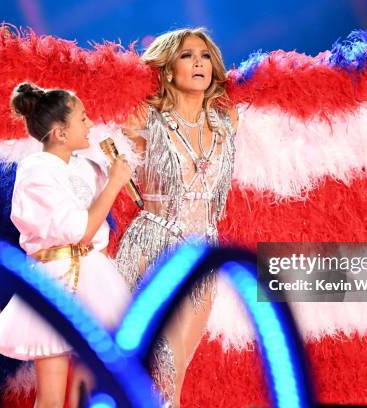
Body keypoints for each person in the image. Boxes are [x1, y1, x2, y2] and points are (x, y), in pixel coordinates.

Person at [0, 82, 132, 408]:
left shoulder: (88, 167)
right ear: (59, 133)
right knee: (50, 394)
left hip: (96, 278)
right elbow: (78, 228)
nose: (90, 123)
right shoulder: (35, 171)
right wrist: (115, 184)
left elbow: (94, 233)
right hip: (56, 279)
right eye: (82, 118)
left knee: (96, 386)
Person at [115, 28, 238, 406]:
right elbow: (103, 151)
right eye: (187, 55)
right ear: (168, 69)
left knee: (178, 368)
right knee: (158, 362)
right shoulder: (146, 119)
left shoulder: (227, 123)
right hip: (154, 249)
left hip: (202, 255)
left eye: (204, 55)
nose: (198, 62)